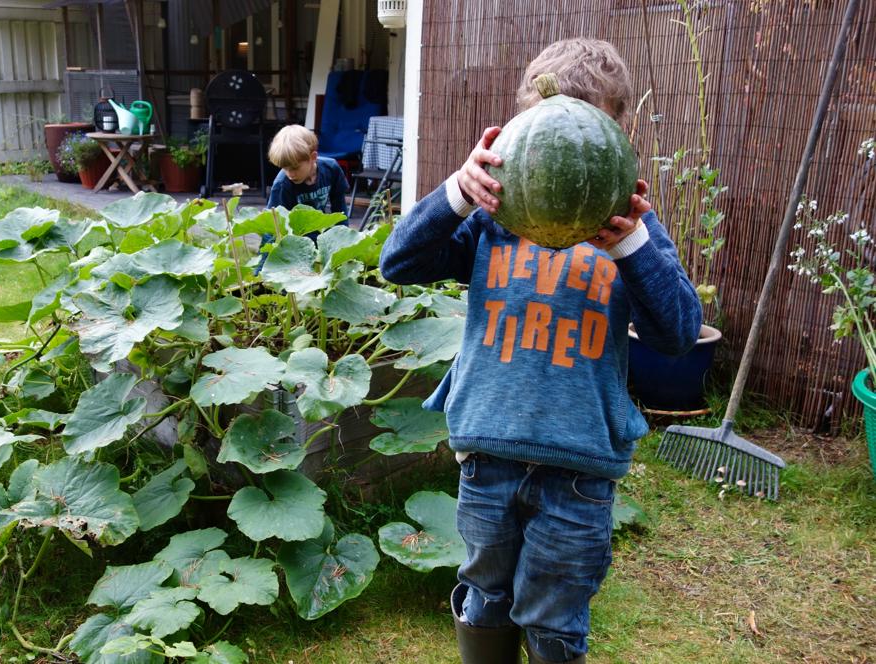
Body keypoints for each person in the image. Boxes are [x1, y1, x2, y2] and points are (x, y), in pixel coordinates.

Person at [378, 38, 702, 664]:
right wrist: (457, 192)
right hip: (487, 455)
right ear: (519, 132)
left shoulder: (631, 231)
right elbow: (399, 262)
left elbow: (678, 334)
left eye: (588, 136)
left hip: (579, 468)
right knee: (484, 595)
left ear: (618, 134)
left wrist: (632, 245)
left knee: (555, 618)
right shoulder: (492, 219)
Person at [256, 125, 350, 270]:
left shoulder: (331, 170)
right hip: (295, 246)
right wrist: (261, 271)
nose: (290, 174)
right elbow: (271, 229)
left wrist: (344, 244)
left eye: (294, 168)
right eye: (284, 168)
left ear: (313, 157)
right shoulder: (282, 184)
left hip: (321, 236)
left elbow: (340, 212)